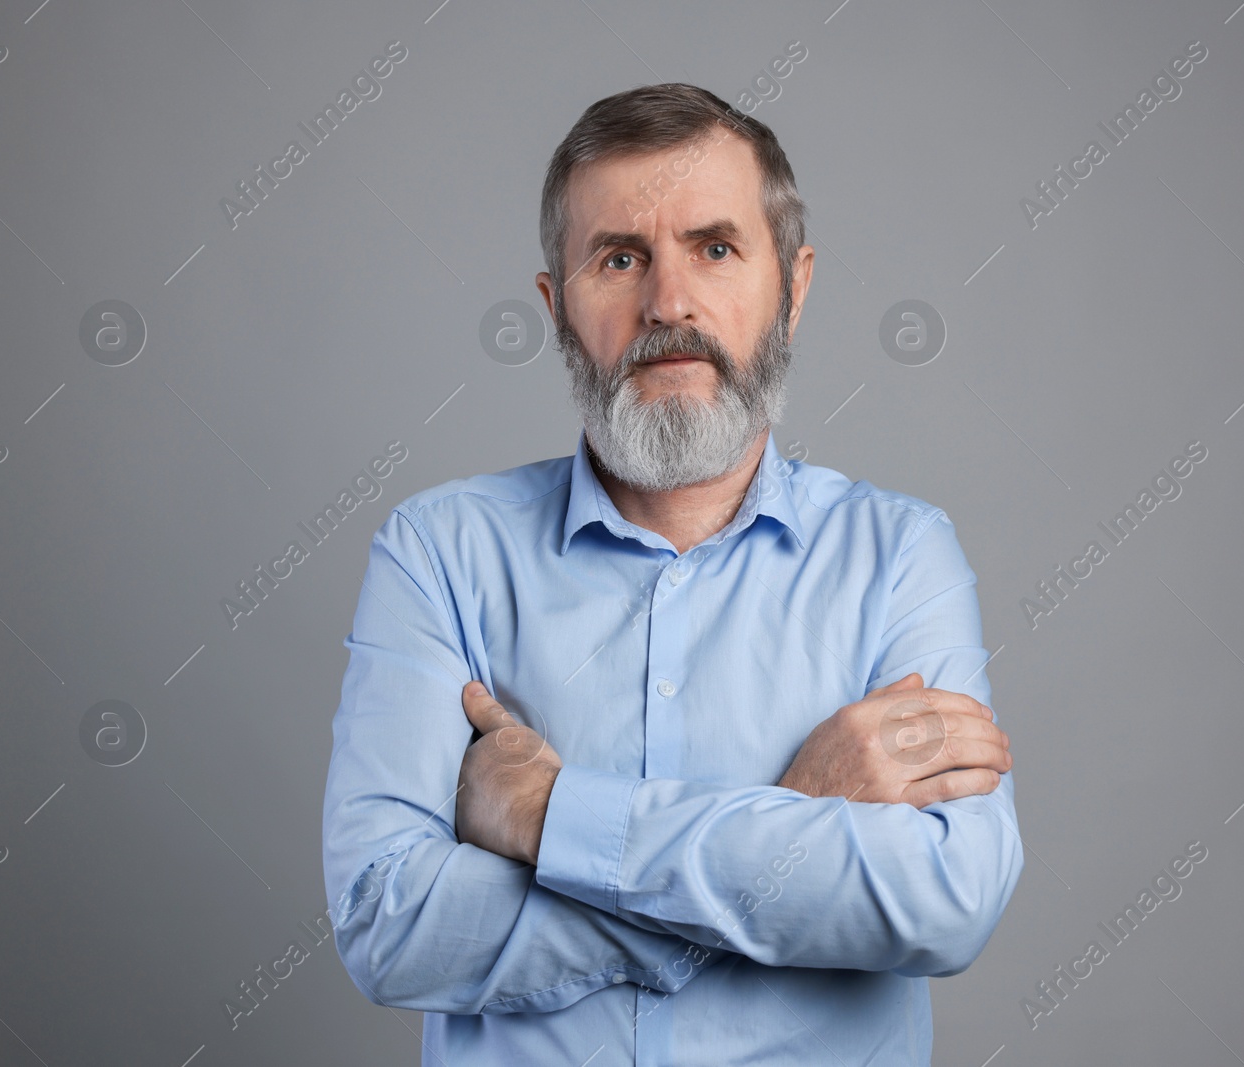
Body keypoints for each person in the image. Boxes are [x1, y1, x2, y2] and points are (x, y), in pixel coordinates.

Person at [321, 82, 1022, 1066]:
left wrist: (549, 815)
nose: (669, 302)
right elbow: (386, 920)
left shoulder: (898, 554)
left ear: (795, 283)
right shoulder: (440, 550)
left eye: (716, 247)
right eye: (619, 257)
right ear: (556, 301)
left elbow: (944, 901)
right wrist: (796, 821)